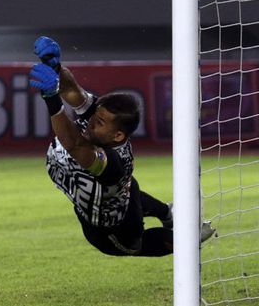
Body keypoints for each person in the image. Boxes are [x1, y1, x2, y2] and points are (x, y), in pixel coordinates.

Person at [29, 36, 215, 257]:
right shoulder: (101, 121)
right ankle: (169, 213)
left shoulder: (111, 163)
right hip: (122, 195)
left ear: (117, 135)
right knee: (130, 188)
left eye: (99, 122)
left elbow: (74, 144)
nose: (90, 123)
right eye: (94, 116)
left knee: (137, 242)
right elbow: (72, 91)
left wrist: (51, 98)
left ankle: (189, 239)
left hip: (112, 233)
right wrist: (56, 67)